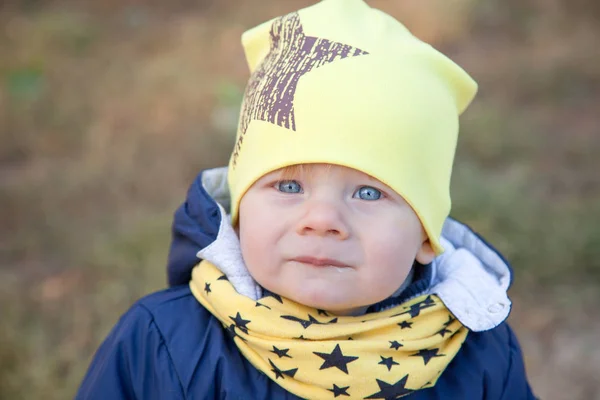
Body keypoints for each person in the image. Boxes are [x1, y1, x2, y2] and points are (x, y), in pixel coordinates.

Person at [77, 0, 536, 398]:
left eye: (369, 192)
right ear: (239, 212)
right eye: (289, 186)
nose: (322, 220)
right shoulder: (163, 343)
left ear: (426, 236)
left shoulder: (475, 353)